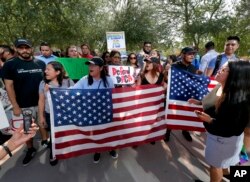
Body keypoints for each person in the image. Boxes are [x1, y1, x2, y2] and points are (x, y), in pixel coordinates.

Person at [189, 61, 250, 182]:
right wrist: (200, 102)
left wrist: (210, 120)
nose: (218, 70)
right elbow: (212, 101)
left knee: (215, 166)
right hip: (216, 137)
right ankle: (231, 176)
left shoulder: (238, 102)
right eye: (220, 68)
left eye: (223, 69)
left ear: (234, 76)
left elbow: (232, 129)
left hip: (223, 140)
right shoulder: (220, 86)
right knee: (224, 164)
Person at [2, 38, 46, 166]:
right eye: (21, 48)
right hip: (24, 106)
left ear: (31, 48)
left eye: (27, 47)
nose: (25, 50)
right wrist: (15, 106)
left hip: (41, 103)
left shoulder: (40, 63)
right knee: (27, 129)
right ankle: (30, 148)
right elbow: (9, 86)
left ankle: (45, 142)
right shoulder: (10, 65)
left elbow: (46, 81)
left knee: (42, 123)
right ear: (16, 49)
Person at [71, 57, 116, 163]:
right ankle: (97, 150)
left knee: (107, 132)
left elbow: (114, 95)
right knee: (95, 134)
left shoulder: (108, 80)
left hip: (105, 113)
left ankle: (110, 148)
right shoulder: (84, 80)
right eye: (89, 65)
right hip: (91, 113)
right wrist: (54, 90)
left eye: (93, 65)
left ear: (100, 68)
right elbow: (71, 91)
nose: (90, 67)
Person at [38, 61, 74, 165]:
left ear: (57, 72)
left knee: (64, 132)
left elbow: (74, 96)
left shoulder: (68, 82)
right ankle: (53, 152)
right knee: (53, 134)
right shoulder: (43, 83)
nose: (45, 71)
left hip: (66, 114)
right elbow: (41, 101)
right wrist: (41, 117)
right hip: (51, 115)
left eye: (48, 69)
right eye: (45, 69)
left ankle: (64, 147)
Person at [165, 47, 200, 142]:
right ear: (183, 55)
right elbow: (166, 80)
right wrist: (166, 71)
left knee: (187, 114)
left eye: (193, 54)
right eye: (190, 53)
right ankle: (167, 131)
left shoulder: (193, 68)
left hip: (188, 96)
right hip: (175, 95)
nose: (192, 55)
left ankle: (185, 131)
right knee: (172, 114)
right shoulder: (174, 66)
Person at [137, 57, 167, 144]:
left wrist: (164, 88)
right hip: (144, 104)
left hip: (156, 104)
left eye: (149, 62)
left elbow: (164, 87)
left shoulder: (161, 75)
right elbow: (137, 90)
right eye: (146, 62)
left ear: (155, 64)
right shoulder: (142, 75)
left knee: (154, 121)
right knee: (144, 122)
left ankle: (152, 136)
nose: (147, 64)